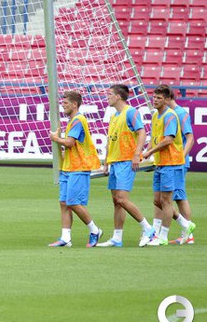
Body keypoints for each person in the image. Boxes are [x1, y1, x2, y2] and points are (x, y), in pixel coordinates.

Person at [97, 84, 154, 247]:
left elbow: (142, 132)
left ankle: (148, 229)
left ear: (118, 96)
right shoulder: (114, 116)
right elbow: (110, 141)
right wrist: (106, 162)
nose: (107, 97)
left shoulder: (131, 112)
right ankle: (117, 237)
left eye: (110, 94)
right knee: (116, 201)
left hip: (126, 161)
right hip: (115, 162)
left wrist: (137, 154)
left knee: (122, 199)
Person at [48, 90, 103, 247]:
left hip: (79, 167)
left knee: (73, 202)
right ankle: (66, 238)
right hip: (69, 166)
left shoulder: (78, 120)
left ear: (74, 104)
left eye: (65, 103)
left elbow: (70, 143)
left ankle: (94, 230)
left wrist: (56, 138)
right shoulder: (72, 120)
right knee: (64, 202)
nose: (63, 105)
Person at [141, 85, 190, 246]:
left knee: (167, 201)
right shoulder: (156, 115)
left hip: (172, 163)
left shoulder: (170, 116)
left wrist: (150, 152)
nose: (155, 100)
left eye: (159, 98)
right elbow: (155, 137)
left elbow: (168, 139)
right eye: (154, 97)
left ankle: (162, 237)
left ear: (166, 100)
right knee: (157, 200)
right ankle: (185, 224)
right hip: (160, 163)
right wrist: (146, 153)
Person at [161, 85, 196, 244]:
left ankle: (188, 235)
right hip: (170, 161)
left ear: (168, 98)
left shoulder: (180, 113)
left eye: (161, 98)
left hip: (177, 162)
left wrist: (181, 157)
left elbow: (190, 138)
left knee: (179, 196)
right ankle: (186, 233)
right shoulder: (168, 114)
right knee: (171, 197)